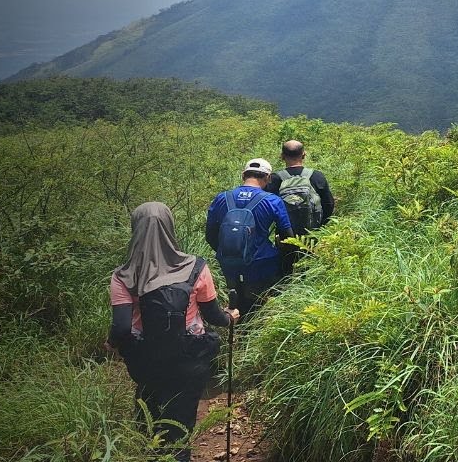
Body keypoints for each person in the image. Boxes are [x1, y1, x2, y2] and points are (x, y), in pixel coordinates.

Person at [108, 202, 238, 462]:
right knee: (180, 422)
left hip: (146, 360)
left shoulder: (122, 276)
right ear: (170, 227)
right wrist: (230, 317)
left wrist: (111, 343)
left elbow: (122, 326)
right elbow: (213, 315)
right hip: (189, 358)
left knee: (150, 414)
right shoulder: (196, 268)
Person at [206, 158, 292, 316]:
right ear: (268, 177)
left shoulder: (222, 198)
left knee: (235, 305)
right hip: (262, 264)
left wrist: (228, 253)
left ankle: (233, 330)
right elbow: (288, 237)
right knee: (259, 308)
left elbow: (210, 234)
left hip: (229, 265)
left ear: (243, 175)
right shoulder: (272, 200)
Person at [266, 140, 335, 270]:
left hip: (285, 237)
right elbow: (329, 205)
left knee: (286, 270)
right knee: (312, 269)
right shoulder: (316, 176)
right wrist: (320, 227)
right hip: (313, 236)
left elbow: (268, 209)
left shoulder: (275, 179)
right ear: (304, 155)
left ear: (282, 156)